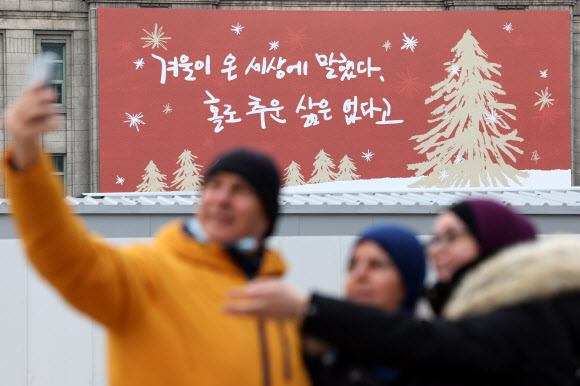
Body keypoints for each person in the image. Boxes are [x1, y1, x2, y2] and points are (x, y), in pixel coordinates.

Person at [3, 84, 311, 386]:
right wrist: (28, 159)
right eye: (214, 186)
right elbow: (68, 257)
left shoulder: (284, 306)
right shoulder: (150, 275)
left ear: (266, 215)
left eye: (240, 190)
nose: (221, 199)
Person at [226, 202, 580, 385]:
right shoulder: (324, 356)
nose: (435, 250)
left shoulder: (529, 319)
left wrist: (311, 309)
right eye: (353, 265)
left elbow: (425, 343)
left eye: (451, 237)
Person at [305, 223, 426, 386]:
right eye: (352, 265)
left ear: (408, 281)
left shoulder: (438, 363)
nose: (359, 275)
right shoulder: (316, 360)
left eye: (376, 264)